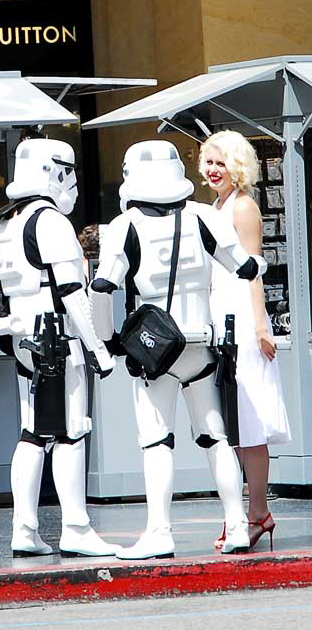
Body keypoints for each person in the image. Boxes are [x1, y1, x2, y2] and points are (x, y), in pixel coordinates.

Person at [89, 139, 267, 560]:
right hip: (201, 342)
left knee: (156, 441)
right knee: (216, 438)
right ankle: (238, 524)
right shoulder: (205, 216)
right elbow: (246, 267)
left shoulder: (124, 226)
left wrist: (109, 340)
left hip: (154, 351)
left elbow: (101, 288)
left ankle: (159, 531)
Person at [0, 138, 117, 558]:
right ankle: (76, 526)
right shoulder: (49, 221)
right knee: (72, 431)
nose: (74, 181)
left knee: (31, 433)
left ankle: (24, 526)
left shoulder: (8, 222)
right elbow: (71, 292)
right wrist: (97, 348)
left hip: (24, 337)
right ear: (54, 172)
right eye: (69, 171)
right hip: (57, 337)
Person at [198, 130, 291, 551]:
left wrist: (260, 326)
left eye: (220, 162)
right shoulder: (215, 207)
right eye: (208, 162)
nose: (213, 169)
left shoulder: (243, 206)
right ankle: (245, 514)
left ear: (237, 166)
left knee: (249, 425)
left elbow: (253, 269)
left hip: (242, 318)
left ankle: (257, 513)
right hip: (220, 318)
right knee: (232, 424)